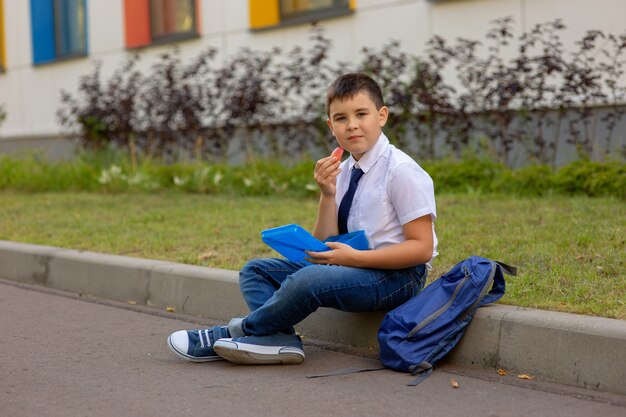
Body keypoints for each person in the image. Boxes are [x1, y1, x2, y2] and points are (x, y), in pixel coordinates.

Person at [167, 73, 438, 365]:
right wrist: (327, 194)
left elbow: (421, 249)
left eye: (362, 114)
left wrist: (354, 258)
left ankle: (234, 331)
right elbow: (323, 243)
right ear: (330, 125)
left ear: (382, 116)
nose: (352, 125)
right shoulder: (343, 171)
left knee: (308, 278)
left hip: (398, 277)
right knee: (255, 271)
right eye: (341, 118)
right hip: (353, 266)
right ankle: (280, 339)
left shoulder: (401, 171)